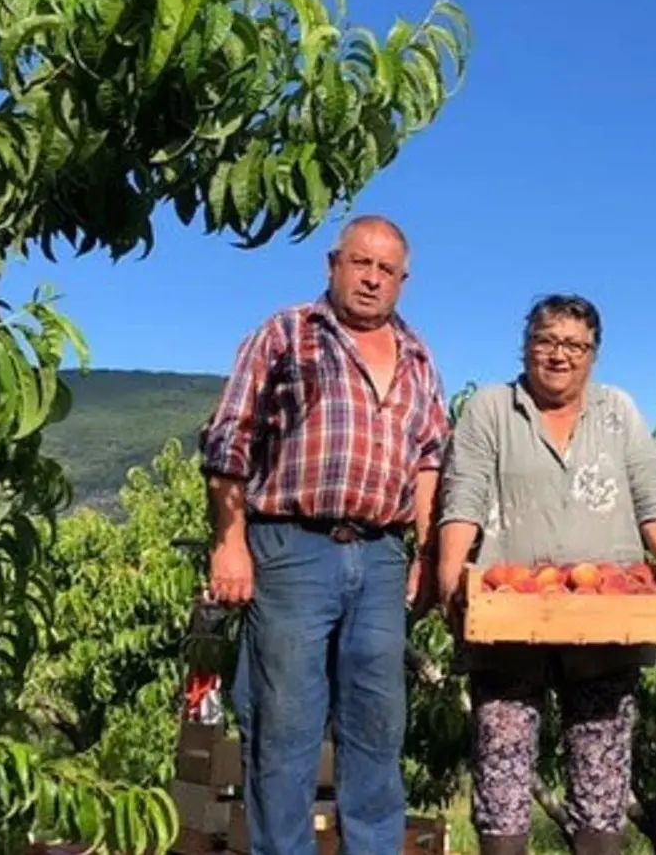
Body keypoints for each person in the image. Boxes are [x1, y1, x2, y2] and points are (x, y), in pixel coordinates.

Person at [199, 214, 450, 855]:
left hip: (382, 556)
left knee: (377, 725)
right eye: (360, 263)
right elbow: (230, 438)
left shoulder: (420, 357)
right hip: (291, 548)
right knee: (283, 726)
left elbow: (429, 460)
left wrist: (424, 552)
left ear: (404, 280)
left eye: (386, 270)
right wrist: (229, 542)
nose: (372, 279)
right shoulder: (287, 333)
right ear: (333, 264)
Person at [434, 293, 656, 855]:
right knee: (501, 766)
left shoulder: (618, 411)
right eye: (546, 341)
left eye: (574, 345)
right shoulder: (491, 408)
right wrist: (451, 579)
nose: (559, 355)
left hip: (607, 623)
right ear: (525, 346)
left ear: (593, 355)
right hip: (508, 619)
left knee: (601, 774)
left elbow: (653, 503)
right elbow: (463, 500)